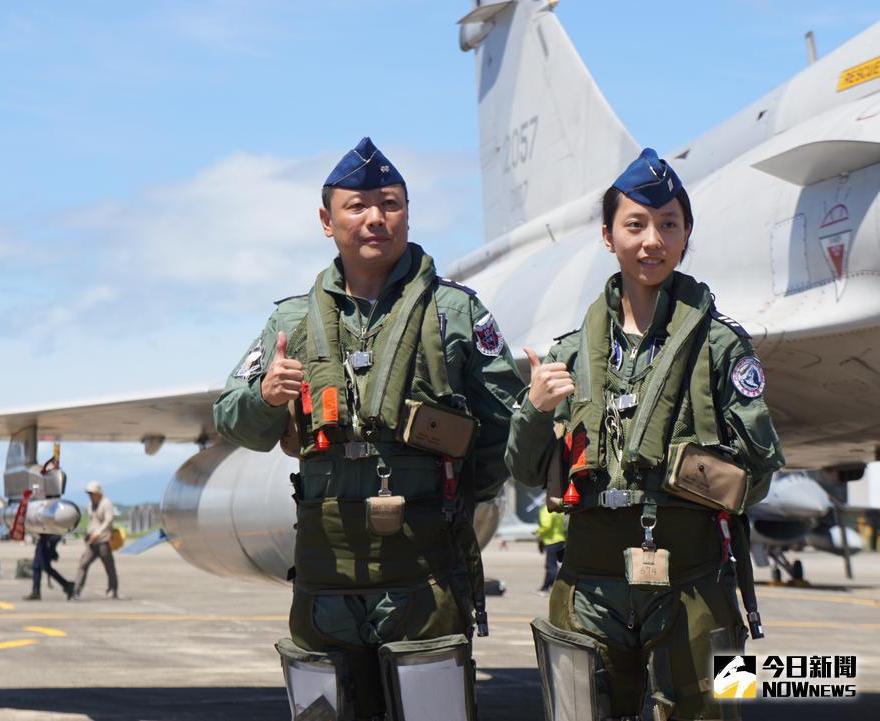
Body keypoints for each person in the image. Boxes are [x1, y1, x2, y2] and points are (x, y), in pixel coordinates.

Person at [213, 137, 526, 721]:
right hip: (324, 577)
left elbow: (503, 427)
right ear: (326, 220)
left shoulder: (455, 313)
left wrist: (454, 505)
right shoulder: (292, 321)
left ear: (408, 212)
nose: (376, 218)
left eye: (390, 204)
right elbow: (232, 418)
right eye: (357, 206)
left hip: (424, 573)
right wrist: (265, 397)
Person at [506, 148, 785, 721]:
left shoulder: (723, 347)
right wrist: (535, 409)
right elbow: (522, 468)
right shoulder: (567, 354)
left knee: (716, 712)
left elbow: (759, 471)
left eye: (668, 225)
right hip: (587, 583)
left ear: (686, 236)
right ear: (609, 237)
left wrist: (697, 476)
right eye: (634, 225)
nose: (651, 240)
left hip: (695, 581)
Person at [73, 481, 118, 599]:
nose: (90, 495)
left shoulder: (106, 503)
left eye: (92, 493)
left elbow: (108, 521)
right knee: (83, 564)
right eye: (89, 493)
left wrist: (97, 533)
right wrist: (89, 535)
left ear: (98, 493)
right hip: (92, 543)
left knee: (109, 566)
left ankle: (112, 589)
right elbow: (92, 522)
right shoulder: (90, 505)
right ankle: (76, 590)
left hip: (103, 541)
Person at [23, 533, 75, 601]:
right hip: (45, 538)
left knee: (44, 566)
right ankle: (36, 591)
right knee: (37, 566)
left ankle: (67, 585)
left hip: (49, 537)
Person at [534, 505, 566, 595]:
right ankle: (549, 587)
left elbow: (546, 525)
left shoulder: (546, 509)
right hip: (561, 540)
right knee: (559, 565)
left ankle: (547, 588)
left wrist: (538, 535)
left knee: (551, 566)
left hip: (551, 541)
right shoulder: (561, 509)